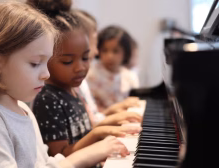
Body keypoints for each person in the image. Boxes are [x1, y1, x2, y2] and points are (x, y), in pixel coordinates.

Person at [0, 2, 128, 168]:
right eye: (35, 63)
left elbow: (44, 164)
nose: (46, 74)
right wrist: (89, 154)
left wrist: (94, 153)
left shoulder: (23, 110)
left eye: (46, 63)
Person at [30, 0, 141, 163]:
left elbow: (82, 135)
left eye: (85, 57)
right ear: (44, 58)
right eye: (68, 61)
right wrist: (98, 133)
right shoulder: (47, 99)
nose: (80, 67)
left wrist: (108, 127)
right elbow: (60, 157)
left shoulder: (72, 89)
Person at [87, 25, 140, 111]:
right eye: (104, 50)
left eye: (116, 51)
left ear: (125, 52)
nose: (110, 56)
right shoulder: (91, 74)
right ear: (98, 50)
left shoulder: (131, 77)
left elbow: (134, 102)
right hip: (101, 120)